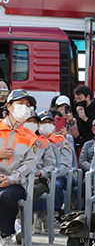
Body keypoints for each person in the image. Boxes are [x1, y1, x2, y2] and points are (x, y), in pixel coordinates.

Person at [0, 89, 38, 246]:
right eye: (20, 103)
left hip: (15, 183)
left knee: (6, 196)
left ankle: (5, 235)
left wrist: (11, 179)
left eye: (27, 105)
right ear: (9, 106)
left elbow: (29, 165)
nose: (25, 107)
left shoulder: (31, 136)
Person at [23, 110, 56, 235]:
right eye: (28, 121)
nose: (31, 124)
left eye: (34, 122)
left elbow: (51, 165)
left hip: (39, 180)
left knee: (32, 190)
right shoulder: (18, 139)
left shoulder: (43, 141)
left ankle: (23, 224)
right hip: (20, 178)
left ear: (37, 125)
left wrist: (40, 172)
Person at [36, 111, 72, 219]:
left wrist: (52, 173)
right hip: (39, 175)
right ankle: (38, 215)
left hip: (58, 175)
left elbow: (66, 163)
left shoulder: (61, 140)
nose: (47, 125)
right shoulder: (33, 140)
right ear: (38, 125)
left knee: (55, 185)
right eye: (43, 122)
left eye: (49, 122)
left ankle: (52, 213)